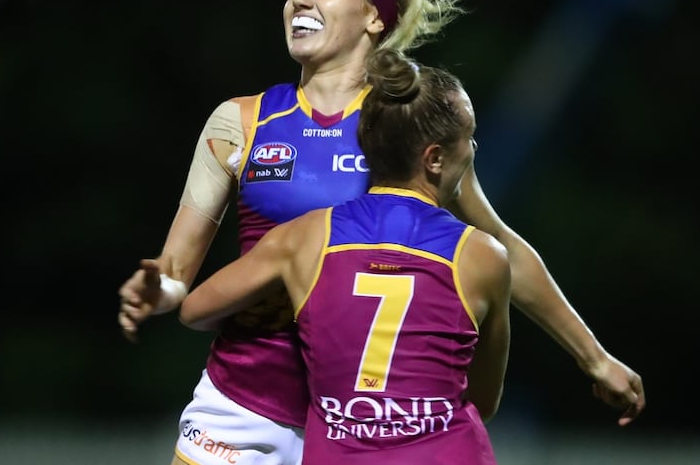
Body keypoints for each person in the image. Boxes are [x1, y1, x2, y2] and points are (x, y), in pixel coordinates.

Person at [118, 0, 645, 464]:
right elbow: (177, 274)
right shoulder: (241, 121)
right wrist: (158, 290)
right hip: (242, 408)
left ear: (374, 16)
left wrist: (593, 357)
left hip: (367, 427)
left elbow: (502, 251)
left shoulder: (406, 126)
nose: (301, 0)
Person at [179, 48, 510, 464]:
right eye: (469, 136)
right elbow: (483, 400)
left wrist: (289, 296)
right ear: (435, 158)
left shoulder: (305, 238)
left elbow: (194, 311)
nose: (473, 147)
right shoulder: (483, 256)